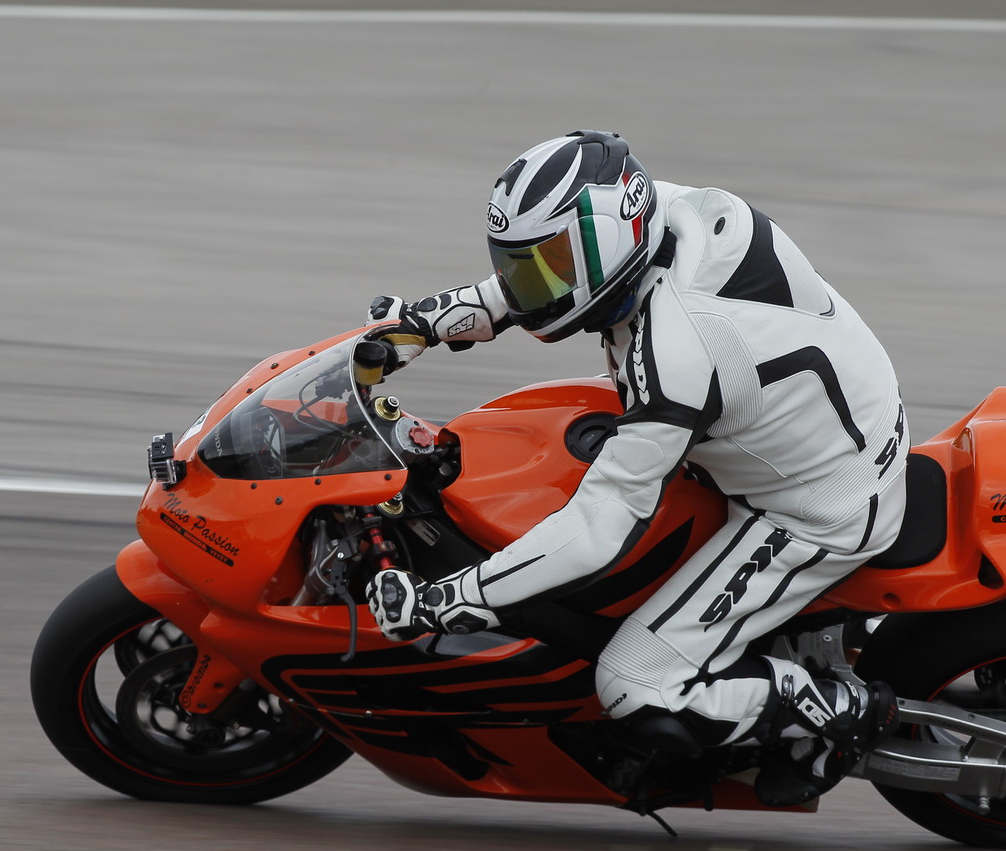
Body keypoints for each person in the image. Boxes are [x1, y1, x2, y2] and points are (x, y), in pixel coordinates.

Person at [360, 130, 908, 806]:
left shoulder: (678, 347)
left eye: (546, 264)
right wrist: (425, 322)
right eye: (520, 264)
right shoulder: (657, 214)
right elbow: (542, 286)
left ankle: (829, 707)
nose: (531, 283)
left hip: (818, 505)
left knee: (636, 685)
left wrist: (452, 598)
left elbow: (600, 525)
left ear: (606, 241)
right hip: (812, 419)